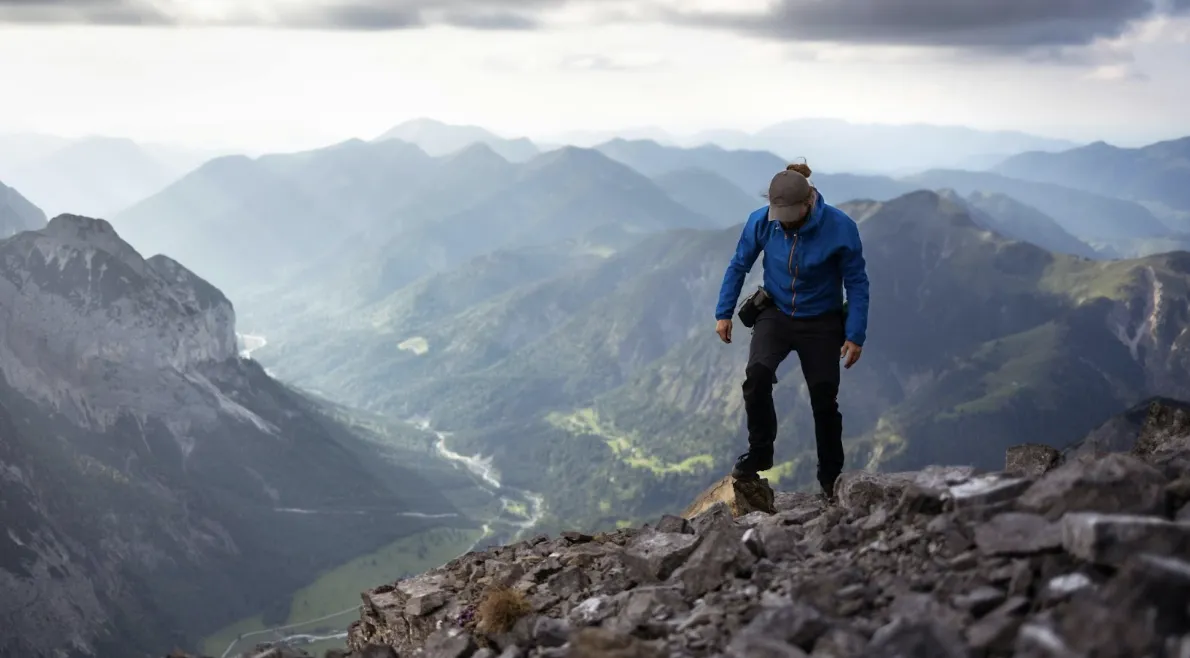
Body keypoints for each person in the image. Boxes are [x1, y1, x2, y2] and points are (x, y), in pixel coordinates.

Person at [714, 162, 869, 500]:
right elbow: (739, 264)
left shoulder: (840, 228)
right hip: (777, 311)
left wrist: (855, 333)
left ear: (808, 202)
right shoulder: (762, 221)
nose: (782, 222)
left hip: (822, 319)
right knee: (756, 376)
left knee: (824, 397)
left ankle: (830, 478)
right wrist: (723, 312)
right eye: (778, 214)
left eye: (788, 215)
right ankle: (760, 452)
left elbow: (856, 282)